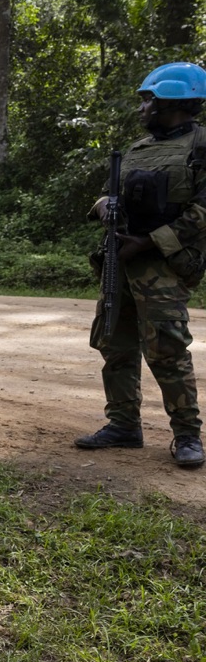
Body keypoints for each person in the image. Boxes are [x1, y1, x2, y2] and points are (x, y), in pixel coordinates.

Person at [77, 62, 206, 469]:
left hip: (163, 266)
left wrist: (149, 242)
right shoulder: (136, 149)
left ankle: (187, 435)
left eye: (148, 100)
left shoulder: (201, 146)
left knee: (167, 350)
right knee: (114, 345)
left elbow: (203, 211)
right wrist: (103, 205)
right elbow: (109, 195)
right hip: (122, 262)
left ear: (173, 100)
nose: (142, 108)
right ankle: (123, 425)